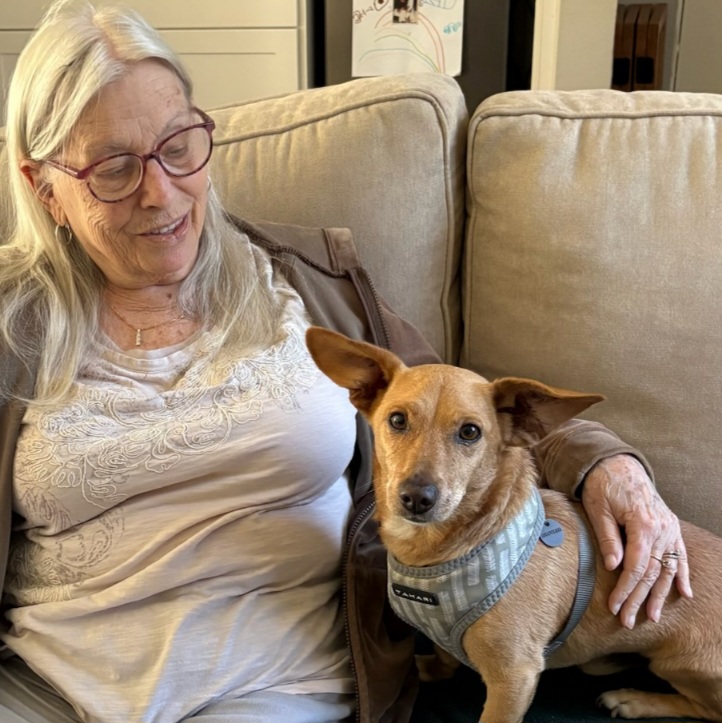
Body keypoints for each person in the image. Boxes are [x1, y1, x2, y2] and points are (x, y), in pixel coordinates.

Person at [0, 1, 691, 722]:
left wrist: (609, 466)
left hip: (267, 687)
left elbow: (466, 411)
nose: (161, 192)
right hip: (43, 683)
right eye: (115, 169)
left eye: (179, 145)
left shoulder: (309, 282)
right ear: (46, 188)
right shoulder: (12, 323)